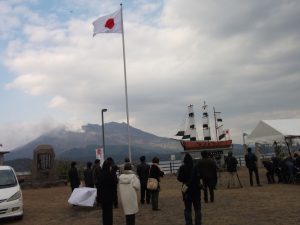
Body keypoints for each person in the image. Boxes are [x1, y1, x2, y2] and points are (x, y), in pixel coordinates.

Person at [177, 153, 202, 225]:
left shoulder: (182, 168)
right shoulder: (195, 167)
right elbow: (199, 177)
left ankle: (188, 222)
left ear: (184, 160)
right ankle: (198, 222)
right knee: (197, 208)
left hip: (186, 190)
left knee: (187, 209)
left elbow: (179, 179)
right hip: (196, 190)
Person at [98, 159, 118, 225]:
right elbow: (115, 182)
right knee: (109, 212)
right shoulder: (110, 174)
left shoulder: (100, 174)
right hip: (109, 197)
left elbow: (99, 186)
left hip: (102, 197)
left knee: (104, 212)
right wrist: (113, 171)